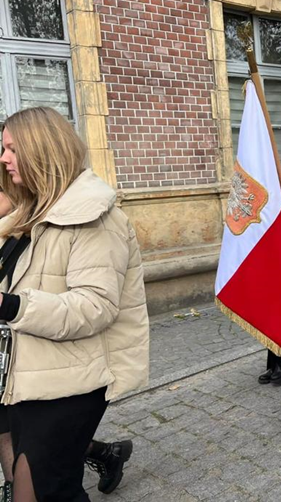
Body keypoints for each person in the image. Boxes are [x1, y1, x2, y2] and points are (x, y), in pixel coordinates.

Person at [0, 107, 149, 500]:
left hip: (70, 380)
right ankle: (106, 455)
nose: (3, 158)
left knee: (44, 487)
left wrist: (10, 305)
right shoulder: (29, 210)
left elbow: (94, 306)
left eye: (12, 148)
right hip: (22, 366)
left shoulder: (96, 216)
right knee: (26, 472)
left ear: (41, 149)